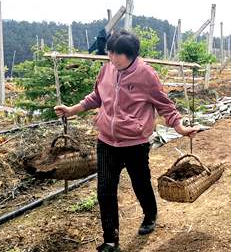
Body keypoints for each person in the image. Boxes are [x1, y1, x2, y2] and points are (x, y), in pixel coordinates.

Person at [54, 30, 199, 252]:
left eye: (116, 54)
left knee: (140, 183)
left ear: (130, 55)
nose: (111, 58)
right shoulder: (107, 70)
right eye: (109, 53)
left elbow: (164, 105)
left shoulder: (146, 75)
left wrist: (179, 127)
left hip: (135, 143)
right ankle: (111, 241)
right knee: (105, 190)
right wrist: (72, 110)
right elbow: (97, 97)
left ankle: (150, 214)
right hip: (106, 142)